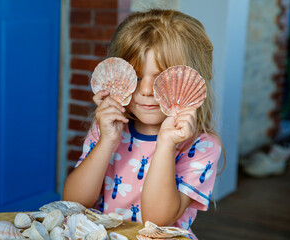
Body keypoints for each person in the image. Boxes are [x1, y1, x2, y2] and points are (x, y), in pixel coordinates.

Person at [63, 9, 224, 239]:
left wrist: (167, 144)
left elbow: (157, 220)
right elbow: (72, 202)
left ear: (191, 82)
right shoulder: (109, 128)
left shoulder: (201, 146)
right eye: (136, 77)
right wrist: (107, 140)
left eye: (161, 79)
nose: (146, 91)